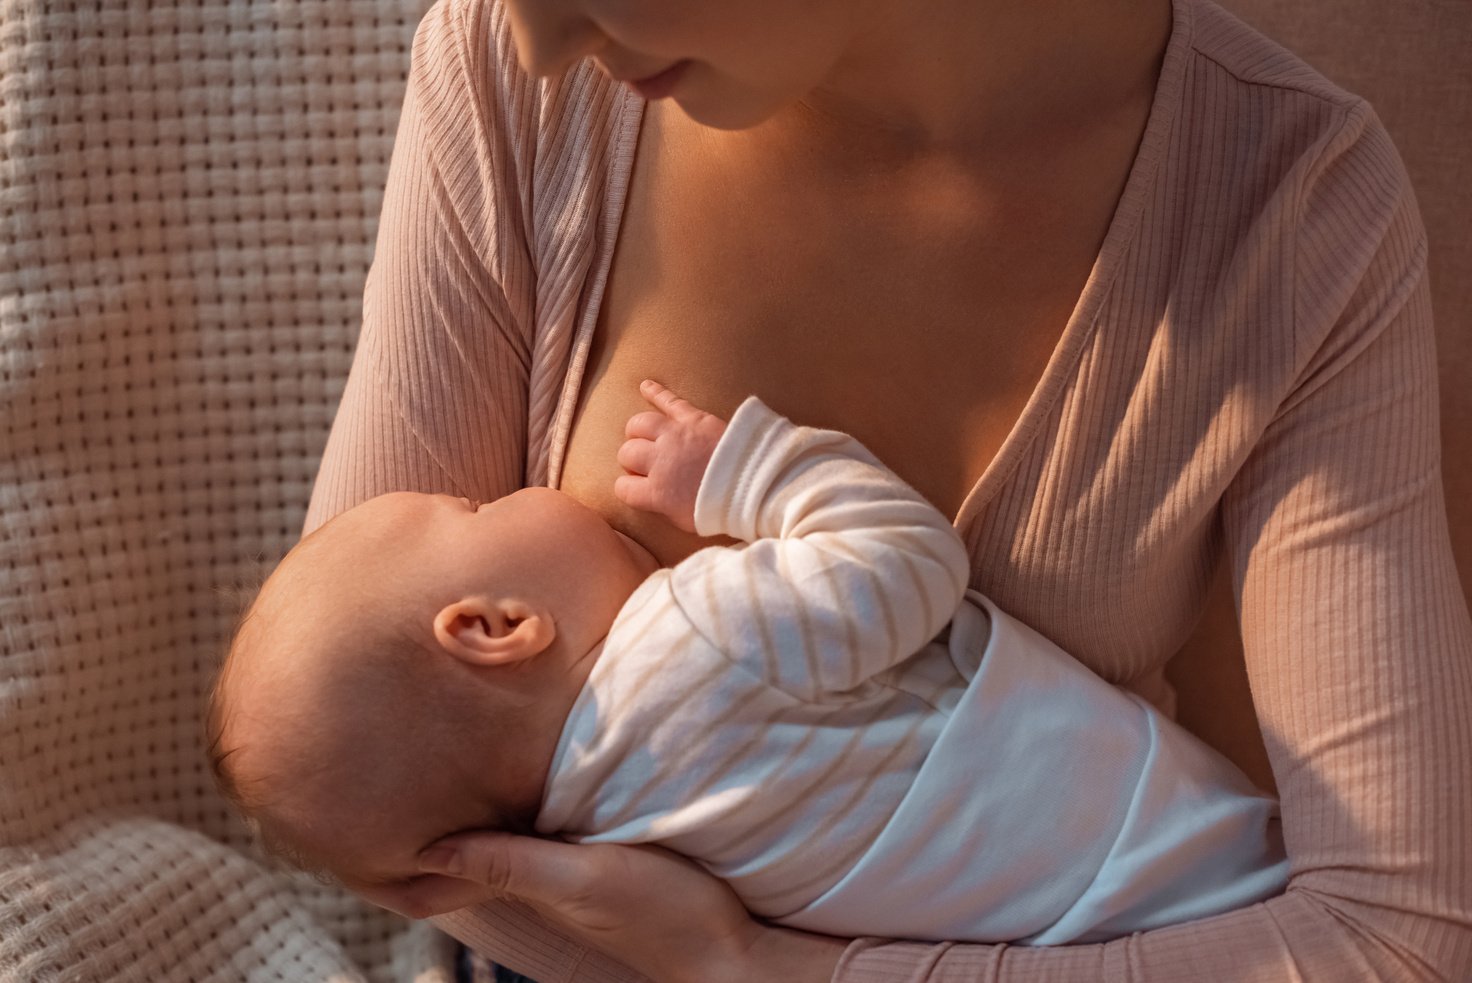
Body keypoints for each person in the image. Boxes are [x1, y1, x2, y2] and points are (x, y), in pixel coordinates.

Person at [300, 0, 1472, 978]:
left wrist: (751, 967)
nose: (539, 40)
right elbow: (361, 798)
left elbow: (1393, 937)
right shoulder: (508, 80)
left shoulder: (1292, 198)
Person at [210, 382, 1287, 948]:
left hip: (1077, 920)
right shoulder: (697, 634)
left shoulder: (603, 835)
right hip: (1186, 858)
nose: (503, 489)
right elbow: (910, 561)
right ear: (496, 625)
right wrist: (746, 472)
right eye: (475, 508)